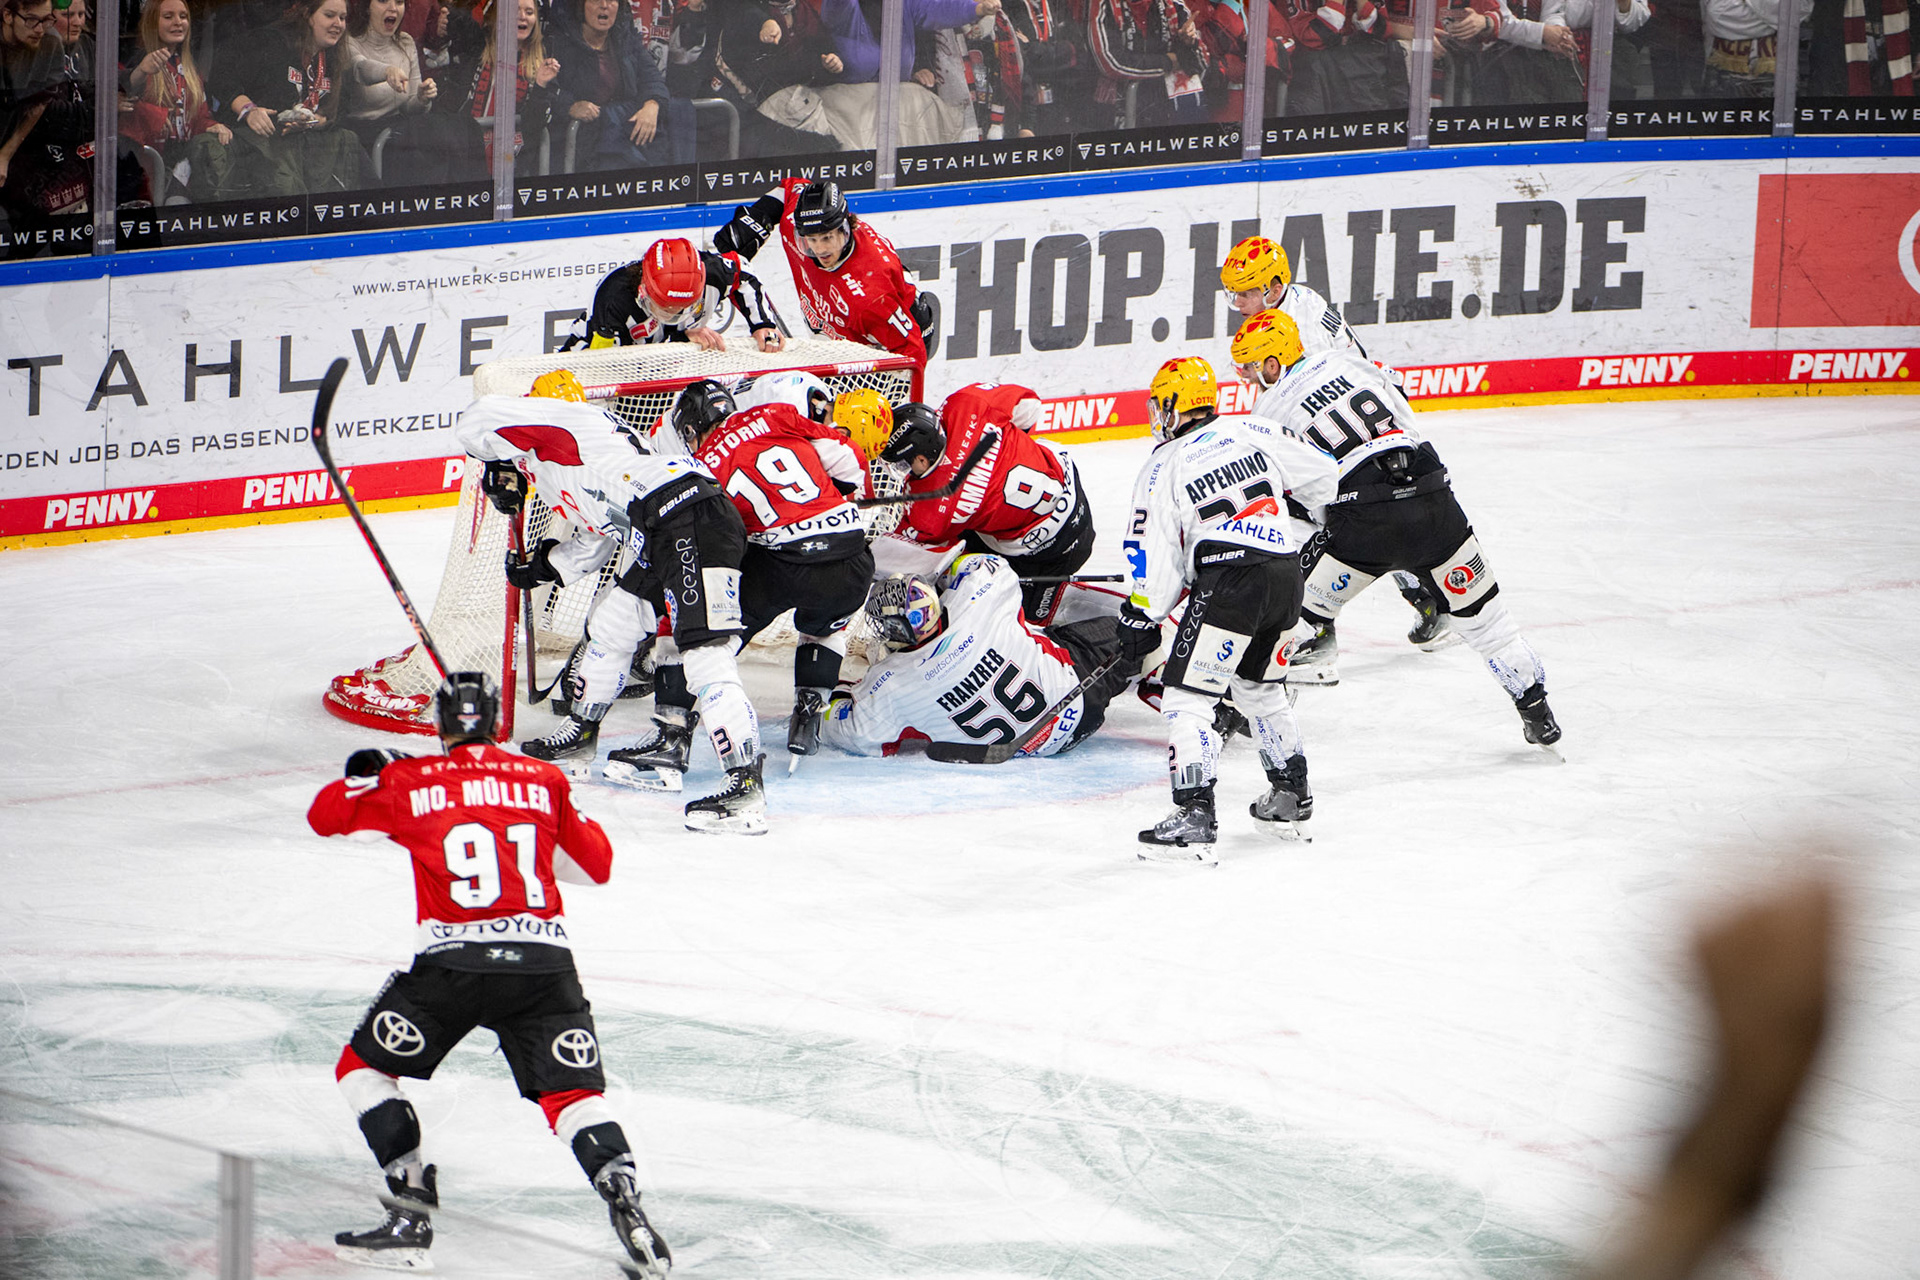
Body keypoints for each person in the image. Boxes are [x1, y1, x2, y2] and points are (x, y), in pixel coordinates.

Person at [307, 671, 671, 1278]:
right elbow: (598, 866)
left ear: (440, 724)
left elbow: (325, 818)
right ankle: (626, 1204)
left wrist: (368, 772)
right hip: (544, 967)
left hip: (453, 966)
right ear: (497, 722)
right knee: (574, 1098)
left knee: (363, 1069)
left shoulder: (411, 779)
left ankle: (411, 1212)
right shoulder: (545, 779)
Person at [1231, 310, 1563, 752]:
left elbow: (1300, 494)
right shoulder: (1349, 364)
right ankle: (1539, 716)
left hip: (1364, 524)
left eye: (1254, 368)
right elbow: (1410, 427)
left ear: (1273, 362)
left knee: (1286, 617)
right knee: (1491, 626)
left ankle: (1238, 715)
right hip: (1433, 503)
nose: (1253, 379)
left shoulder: (1268, 411)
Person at [457, 368, 769, 835]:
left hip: (688, 517)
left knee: (705, 656)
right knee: (613, 624)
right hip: (661, 525)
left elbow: (476, 418)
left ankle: (745, 790)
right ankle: (580, 738)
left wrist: (494, 463)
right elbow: (596, 541)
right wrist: (543, 566)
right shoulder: (559, 467)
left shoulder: (570, 420)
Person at [1119, 355, 1339, 858]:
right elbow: (1325, 478)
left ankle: (1195, 814)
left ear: (1174, 407)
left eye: (1159, 405)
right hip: (1285, 576)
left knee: (1187, 699)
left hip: (1229, 583)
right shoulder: (1252, 429)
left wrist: (1141, 612)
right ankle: (1291, 795)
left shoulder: (1163, 465)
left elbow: (1151, 550)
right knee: (1260, 689)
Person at [1221, 236, 1450, 654]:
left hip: (1353, 426)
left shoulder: (1301, 333)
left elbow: (1311, 398)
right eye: (1232, 292)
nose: (1237, 302)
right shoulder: (1292, 303)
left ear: (1273, 288)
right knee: (1360, 517)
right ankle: (1427, 597)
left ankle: (1319, 626)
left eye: (1246, 292)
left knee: (1345, 514)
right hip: (1352, 414)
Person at [664, 376, 873, 762]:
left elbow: (716, 547)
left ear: (691, 429)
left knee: (709, 640)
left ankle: (673, 732)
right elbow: (848, 456)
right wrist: (839, 498)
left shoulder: (700, 468)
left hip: (780, 567)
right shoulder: (775, 415)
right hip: (852, 561)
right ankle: (809, 712)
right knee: (825, 627)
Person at [821, 554, 1132, 757]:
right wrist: (944, 577)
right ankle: (1169, 688)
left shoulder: (889, 684)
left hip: (1030, 749)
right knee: (1134, 634)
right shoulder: (978, 598)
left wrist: (838, 692)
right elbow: (983, 563)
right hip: (1082, 695)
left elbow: (853, 734)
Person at [867, 383, 1094, 625]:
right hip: (1071, 489)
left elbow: (905, 555)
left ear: (921, 458)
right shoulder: (967, 403)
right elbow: (1031, 406)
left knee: (1012, 623)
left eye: (903, 464)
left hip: (1047, 555)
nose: (903, 471)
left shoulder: (929, 509)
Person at [713, 176, 932, 367]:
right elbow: (791, 188)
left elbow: (913, 355)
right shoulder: (799, 223)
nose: (819, 249)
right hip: (835, 332)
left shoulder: (871, 297)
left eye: (827, 238)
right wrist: (758, 216)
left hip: (892, 336)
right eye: (812, 240)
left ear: (846, 228)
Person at [198, 0, 365, 200]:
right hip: (261, 147)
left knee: (350, 143)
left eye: (343, 18)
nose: (338, 24)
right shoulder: (272, 41)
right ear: (308, 16)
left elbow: (342, 107)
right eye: (329, 15)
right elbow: (221, 73)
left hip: (304, 147)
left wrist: (316, 122)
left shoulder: (334, 58)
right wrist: (249, 110)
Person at [665, 0, 845, 158]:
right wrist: (764, 23)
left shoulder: (804, 13)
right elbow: (741, 13)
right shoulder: (740, 10)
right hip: (731, 111)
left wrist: (829, 63)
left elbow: (820, 55)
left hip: (788, 108)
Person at [582, 235, 784, 352]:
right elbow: (603, 365)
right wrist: (681, 338)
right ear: (644, 288)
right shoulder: (612, 299)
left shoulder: (711, 271)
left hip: (669, 369)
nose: (672, 315)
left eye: (682, 309)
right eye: (665, 307)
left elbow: (743, 272)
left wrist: (762, 324)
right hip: (594, 368)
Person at [552, 0, 687, 173]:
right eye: (595, 0)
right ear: (580, 6)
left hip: (623, 141)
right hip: (581, 150)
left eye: (612, 0)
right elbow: (545, 91)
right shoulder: (559, 44)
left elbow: (653, 79)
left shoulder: (627, 41)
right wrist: (570, 106)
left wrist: (653, 104)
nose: (604, 5)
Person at [120, 0, 233, 196]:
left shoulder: (189, 68)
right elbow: (120, 101)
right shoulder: (138, 61)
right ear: (152, 23)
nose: (178, 22)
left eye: (183, 16)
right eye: (168, 17)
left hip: (181, 171)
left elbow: (196, 118)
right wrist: (155, 116)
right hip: (143, 175)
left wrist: (210, 126)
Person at [463, 0, 559, 171]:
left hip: (514, 163)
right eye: (515, 10)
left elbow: (534, 126)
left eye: (529, 12)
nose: (522, 17)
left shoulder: (544, 63)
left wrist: (540, 85)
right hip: (471, 154)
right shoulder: (481, 49)